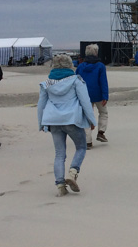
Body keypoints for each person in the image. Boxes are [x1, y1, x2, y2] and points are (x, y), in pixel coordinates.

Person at [38, 54, 96, 196]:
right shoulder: (76, 80)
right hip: (72, 119)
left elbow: (41, 105)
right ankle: (73, 173)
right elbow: (85, 101)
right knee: (81, 147)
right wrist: (91, 120)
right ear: (70, 65)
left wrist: (41, 123)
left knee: (59, 154)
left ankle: (60, 185)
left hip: (53, 121)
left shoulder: (46, 83)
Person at [75, 44, 109, 148]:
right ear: (96, 53)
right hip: (98, 94)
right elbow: (103, 81)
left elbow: (76, 81)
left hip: (84, 95)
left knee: (86, 117)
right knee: (103, 112)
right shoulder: (100, 66)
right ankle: (101, 132)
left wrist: (76, 95)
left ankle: (88, 141)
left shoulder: (81, 66)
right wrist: (105, 96)